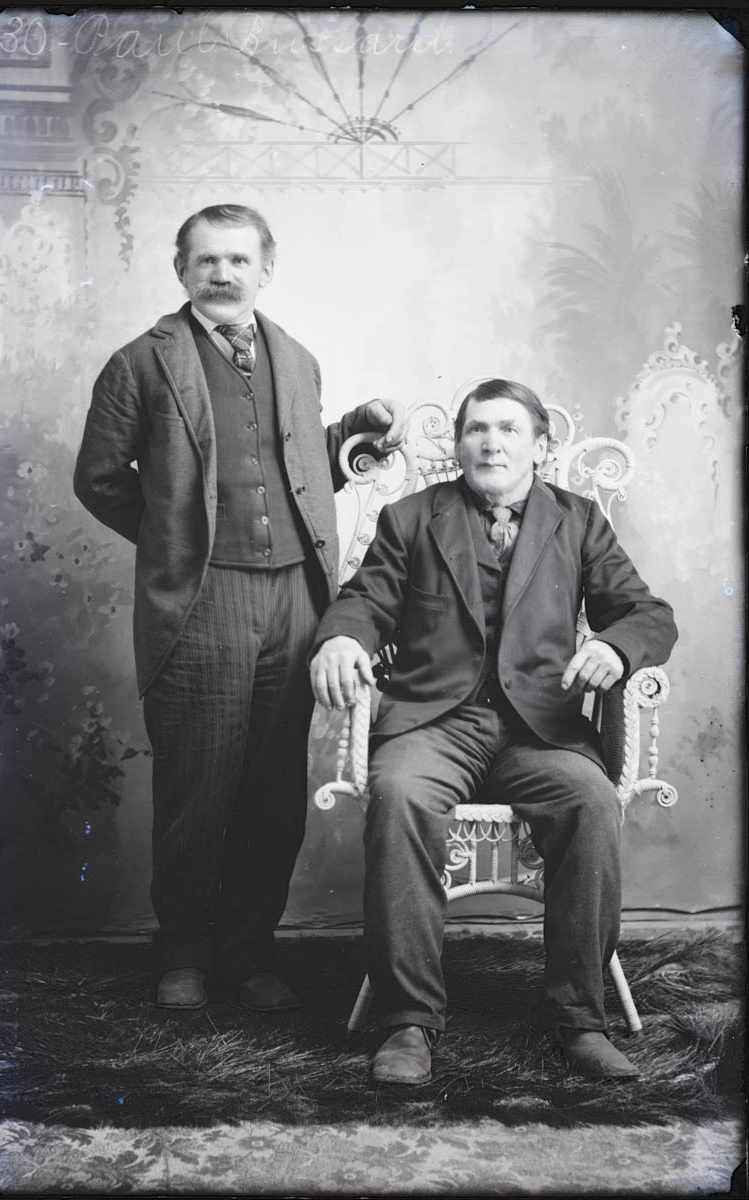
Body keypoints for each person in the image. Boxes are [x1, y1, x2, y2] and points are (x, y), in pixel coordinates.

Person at [74, 203, 405, 1012]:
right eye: (206, 261)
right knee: (198, 789)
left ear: (266, 269)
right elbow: (99, 479)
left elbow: (296, 468)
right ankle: (184, 954)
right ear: (181, 270)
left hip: (296, 598)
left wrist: (354, 433)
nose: (222, 274)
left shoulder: (295, 357)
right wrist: (175, 540)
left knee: (272, 793)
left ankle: (249, 952)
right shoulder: (140, 363)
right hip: (201, 599)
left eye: (237, 260)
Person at [309, 378, 677, 1083]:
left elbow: (647, 613)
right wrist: (342, 638)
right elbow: (365, 600)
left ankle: (579, 1019)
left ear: (539, 447)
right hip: (434, 723)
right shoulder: (411, 517)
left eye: (509, 429)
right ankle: (408, 1021)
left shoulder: (577, 519)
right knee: (400, 796)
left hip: (540, 729)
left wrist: (615, 647)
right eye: (477, 429)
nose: (491, 443)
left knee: (589, 800)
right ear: (458, 445)